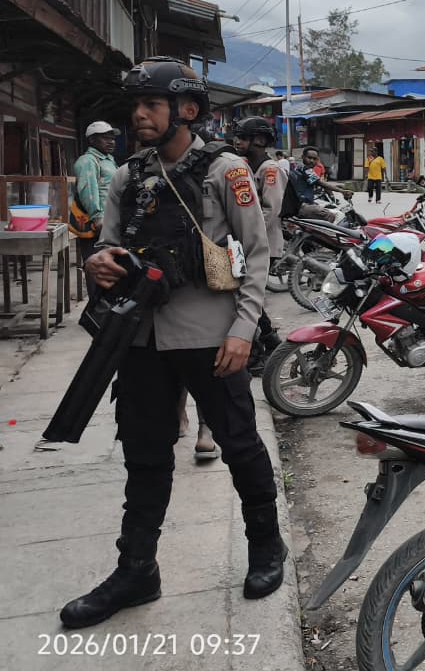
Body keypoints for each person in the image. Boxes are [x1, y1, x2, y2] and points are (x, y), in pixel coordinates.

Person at [60, 57, 286, 630]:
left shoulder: (225, 170)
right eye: (134, 106)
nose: (137, 115)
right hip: (139, 339)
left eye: (150, 105)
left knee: (238, 443)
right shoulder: (124, 175)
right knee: (144, 453)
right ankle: (136, 570)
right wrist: (100, 264)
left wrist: (242, 329)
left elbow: (256, 254)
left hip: (210, 337)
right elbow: (108, 250)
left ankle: (266, 546)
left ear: (186, 109)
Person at [230, 117, 287, 377]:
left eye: (243, 137)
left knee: (249, 298)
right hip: (246, 243)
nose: (237, 142)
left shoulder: (270, 169)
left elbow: (270, 209)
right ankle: (271, 344)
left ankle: (260, 351)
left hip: (263, 243)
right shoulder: (243, 165)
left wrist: (247, 231)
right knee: (247, 297)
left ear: (260, 140)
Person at [72, 121, 119, 300]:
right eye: (106, 138)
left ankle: (107, 306)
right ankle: (97, 308)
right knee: (96, 265)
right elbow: (88, 191)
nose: (111, 142)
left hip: (110, 222)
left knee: (109, 265)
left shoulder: (107, 160)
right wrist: (98, 218)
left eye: (112, 139)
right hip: (97, 225)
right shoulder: (87, 161)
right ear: (92, 140)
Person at [295, 145, 352, 222]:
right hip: (302, 206)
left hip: (302, 203)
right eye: (309, 158)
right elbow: (320, 183)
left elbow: (320, 181)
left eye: (314, 159)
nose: (311, 161)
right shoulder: (306, 169)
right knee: (333, 217)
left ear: (318, 160)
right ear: (303, 157)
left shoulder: (298, 167)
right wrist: (342, 191)